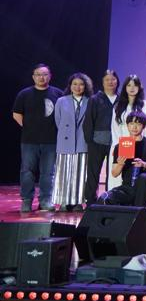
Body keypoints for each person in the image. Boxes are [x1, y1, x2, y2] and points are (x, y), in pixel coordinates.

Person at [12, 63, 64, 212]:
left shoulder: (58, 94)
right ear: (33, 77)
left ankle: (45, 200)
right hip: (29, 141)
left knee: (48, 173)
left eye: (45, 74)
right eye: (38, 74)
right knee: (27, 171)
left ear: (50, 76)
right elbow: (16, 114)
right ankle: (27, 200)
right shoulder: (24, 94)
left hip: (51, 140)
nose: (42, 77)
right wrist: (29, 127)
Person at [97, 110, 146, 208]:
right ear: (127, 126)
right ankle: (128, 209)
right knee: (104, 199)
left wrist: (144, 164)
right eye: (131, 124)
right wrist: (120, 164)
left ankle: (139, 211)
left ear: (144, 126)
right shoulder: (120, 146)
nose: (134, 127)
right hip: (127, 187)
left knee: (143, 177)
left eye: (138, 124)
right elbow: (114, 173)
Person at [52, 73, 93, 212]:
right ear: (70, 86)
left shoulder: (90, 101)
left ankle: (78, 202)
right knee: (63, 173)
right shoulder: (61, 101)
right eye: (74, 84)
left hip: (82, 141)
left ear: (85, 86)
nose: (77, 87)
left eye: (81, 84)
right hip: (65, 141)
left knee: (80, 174)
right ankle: (63, 201)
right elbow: (58, 120)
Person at [83, 69, 119, 206]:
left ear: (117, 81)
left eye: (113, 79)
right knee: (93, 173)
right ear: (103, 82)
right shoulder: (95, 99)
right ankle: (90, 201)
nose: (110, 82)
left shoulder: (121, 99)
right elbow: (88, 121)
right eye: (107, 80)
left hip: (115, 142)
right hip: (97, 141)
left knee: (113, 173)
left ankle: (110, 199)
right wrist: (89, 141)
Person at [110, 74, 146, 190]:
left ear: (139, 88)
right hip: (122, 144)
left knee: (134, 174)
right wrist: (117, 146)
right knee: (118, 173)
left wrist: (141, 144)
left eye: (135, 85)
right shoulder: (118, 105)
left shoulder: (144, 104)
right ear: (125, 87)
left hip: (138, 144)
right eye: (129, 85)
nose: (132, 88)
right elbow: (115, 127)